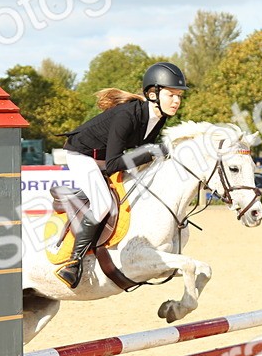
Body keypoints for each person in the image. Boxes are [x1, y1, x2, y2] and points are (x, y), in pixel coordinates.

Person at [56, 62, 187, 288]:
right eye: (171, 95)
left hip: (106, 158)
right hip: (82, 156)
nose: (176, 101)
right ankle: (73, 263)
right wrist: (153, 151)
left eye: (179, 96)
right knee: (102, 204)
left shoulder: (159, 116)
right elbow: (114, 163)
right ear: (153, 94)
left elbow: (140, 153)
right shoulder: (127, 115)